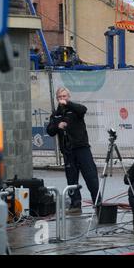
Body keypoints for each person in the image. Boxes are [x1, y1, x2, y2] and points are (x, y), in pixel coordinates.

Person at [46, 87, 101, 215]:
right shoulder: (56, 114)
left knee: (91, 177)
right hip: (68, 151)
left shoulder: (75, 110)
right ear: (57, 98)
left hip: (82, 148)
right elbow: (50, 131)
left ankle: (97, 202)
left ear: (68, 97)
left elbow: (83, 109)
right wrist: (57, 126)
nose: (62, 99)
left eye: (64, 96)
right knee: (71, 179)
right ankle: (75, 204)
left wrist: (68, 104)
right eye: (60, 97)